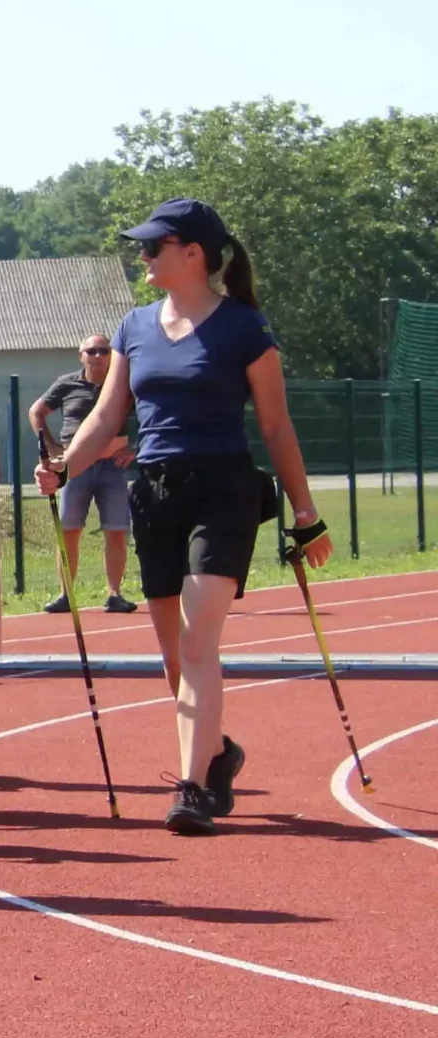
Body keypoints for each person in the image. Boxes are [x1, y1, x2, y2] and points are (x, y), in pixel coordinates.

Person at [52, 196, 332, 835]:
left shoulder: (245, 330)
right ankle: (218, 753)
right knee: (175, 653)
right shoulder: (133, 326)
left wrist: (306, 512)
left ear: (193, 254)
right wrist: (65, 465)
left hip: (224, 492)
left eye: (154, 246)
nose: (143, 256)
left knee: (199, 638)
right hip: (154, 492)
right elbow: (106, 416)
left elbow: (275, 424)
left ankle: (193, 787)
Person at [33, 337, 139, 614]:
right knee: (68, 530)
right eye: (91, 351)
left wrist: (136, 449)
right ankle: (65, 594)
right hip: (75, 468)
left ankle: (115, 594)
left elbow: (153, 415)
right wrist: (52, 447)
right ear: (81, 355)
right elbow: (37, 412)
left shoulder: (124, 385)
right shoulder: (67, 383)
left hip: (112, 467)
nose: (98, 355)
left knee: (116, 531)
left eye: (104, 351)